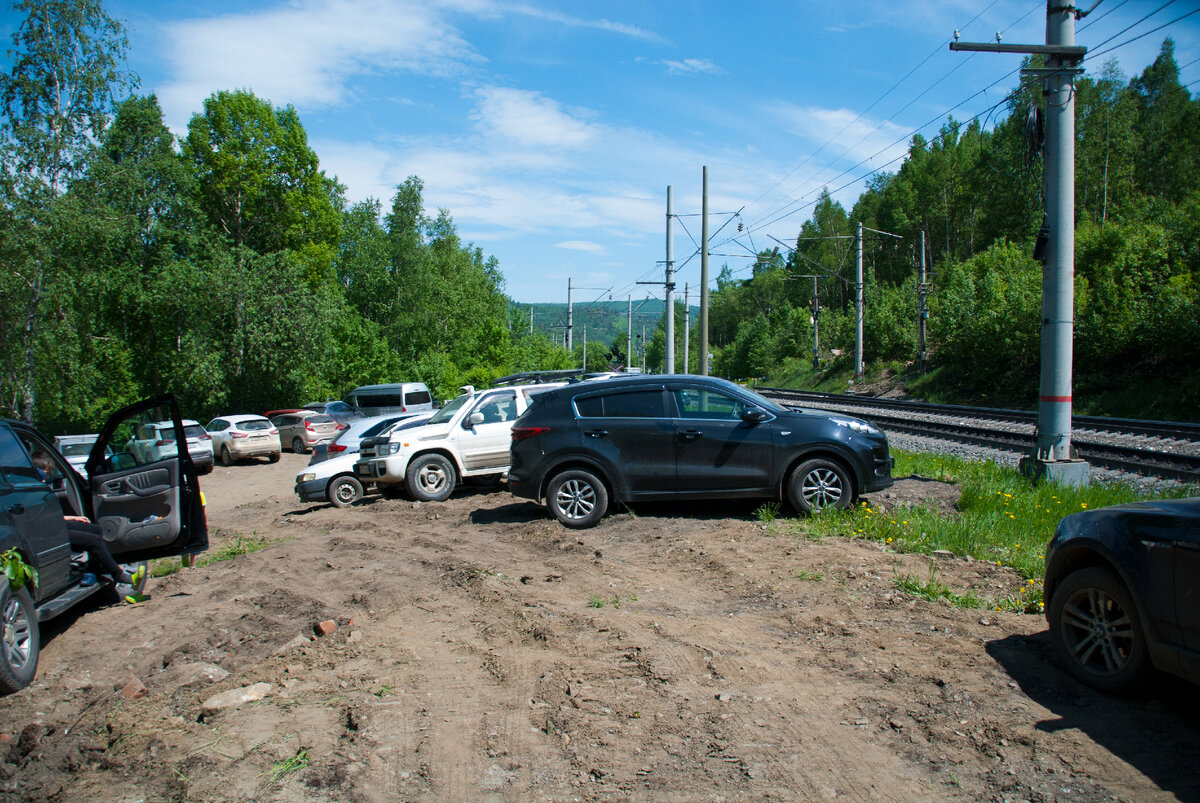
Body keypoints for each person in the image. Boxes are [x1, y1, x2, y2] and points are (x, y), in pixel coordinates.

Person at [30, 450, 144, 589]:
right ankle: (118, 574)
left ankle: (92, 571)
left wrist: (72, 517)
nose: (45, 478)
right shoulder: (30, 491)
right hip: (47, 531)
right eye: (44, 473)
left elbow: (47, 516)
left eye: (47, 474)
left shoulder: (38, 488)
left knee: (95, 529)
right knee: (93, 541)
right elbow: (38, 519)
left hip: (55, 523)